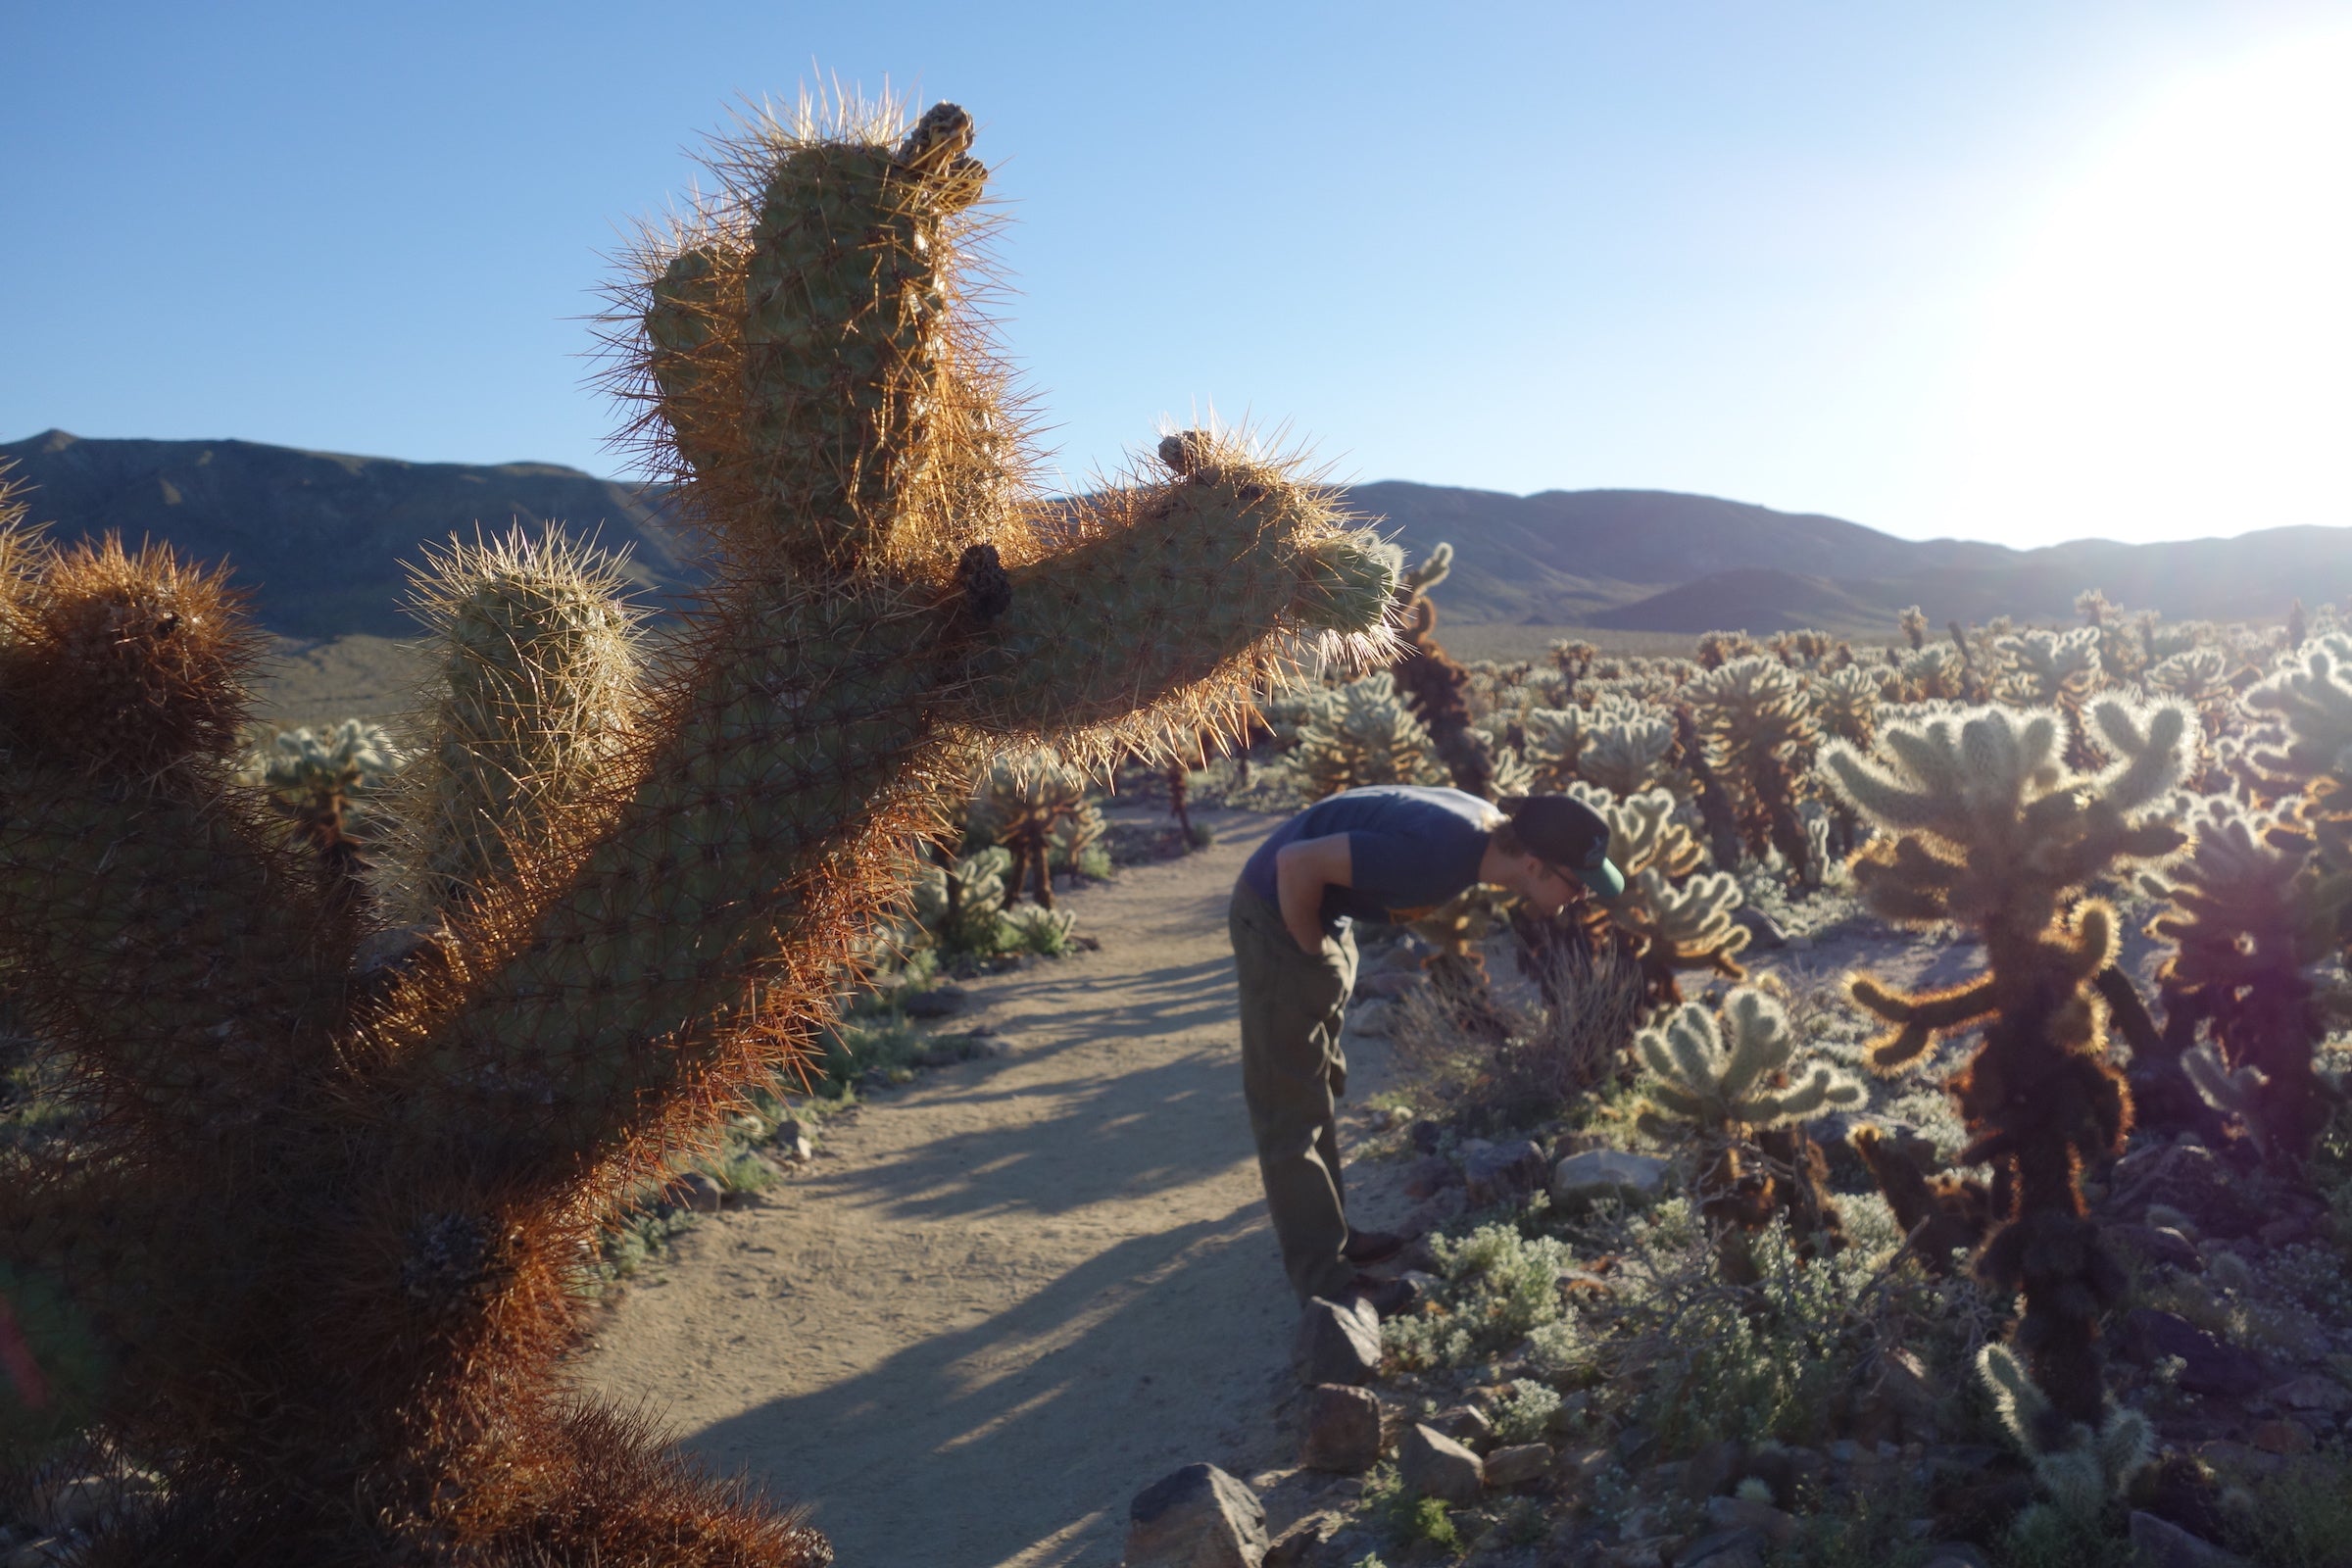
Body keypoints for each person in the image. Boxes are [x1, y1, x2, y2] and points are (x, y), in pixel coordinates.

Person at [1228, 785, 1624, 1315]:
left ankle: (1333, 1238)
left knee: (1315, 1082)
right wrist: (1311, 957)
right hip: (1281, 918)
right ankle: (1325, 1282)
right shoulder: (1438, 855)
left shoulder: (1485, 835)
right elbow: (1296, 863)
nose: (1582, 897)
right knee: (1289, 1108)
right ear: (1535, 865)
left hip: (1321, 915)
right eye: (1578, 885)